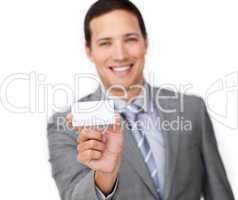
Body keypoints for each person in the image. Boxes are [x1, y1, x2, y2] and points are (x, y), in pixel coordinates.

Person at [47, 0, 235, 200]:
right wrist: (104, 176)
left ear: (145, 42)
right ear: (89, 51)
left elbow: (219, 192)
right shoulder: (65, 125)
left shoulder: (192, 110)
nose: (120, 55)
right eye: (105, 43)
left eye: (130, 39)